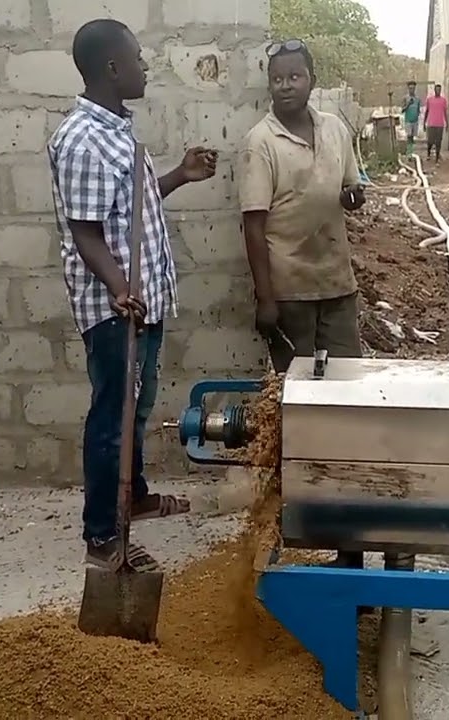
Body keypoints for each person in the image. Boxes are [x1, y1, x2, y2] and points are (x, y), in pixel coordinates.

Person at [49, 18, 218, 573]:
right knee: (112, 417)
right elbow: (86, 232)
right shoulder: (81, 139)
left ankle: (135, 495)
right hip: (114, 307)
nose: (146, 67)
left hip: (139, 299)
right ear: (113, 68)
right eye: (139, 59)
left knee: (137, 407)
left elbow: (133, 206)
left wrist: (179, 176)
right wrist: (121, 288)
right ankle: (102, 536)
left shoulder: (118, 129)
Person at [238, 39, 367, 571]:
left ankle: (348, 547)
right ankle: (289, 528)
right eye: (277, 78)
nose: (286, 86)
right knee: (299, 413)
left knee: (349, 408)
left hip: (338, 286)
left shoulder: (335, 129)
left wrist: (353, 197)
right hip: (289, 296)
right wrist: (266, 298)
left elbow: (352, 188)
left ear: (311, 79)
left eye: (295, 76)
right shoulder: (259, 143)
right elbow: (252, 223)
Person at [423, 83, 449, 163]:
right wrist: (424, 122)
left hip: (440, 124)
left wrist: (447, 123)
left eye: (439, 90)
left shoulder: (443, 100)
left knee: (438, 141)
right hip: (431, 123)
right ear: (434, 90)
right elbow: (427, 111)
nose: (438, 91)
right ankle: (428, 154)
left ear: (440, 91)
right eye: (436, 89)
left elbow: (445, 112)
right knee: (430, 141)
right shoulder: (430, 100)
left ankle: (437, 157)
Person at [401, 81, 421, 156]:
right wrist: (408, 104)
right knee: (409, 136)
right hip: (408, 120)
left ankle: (411, 151)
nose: (411, 90)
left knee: (412, 137)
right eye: (410, 88)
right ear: (408, 89)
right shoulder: (405, 98)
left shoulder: (417, 99)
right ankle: (408, 152)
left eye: (413, 88)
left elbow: (418, 109)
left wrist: (417, 115)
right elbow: (402, 110)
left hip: (415, 120)